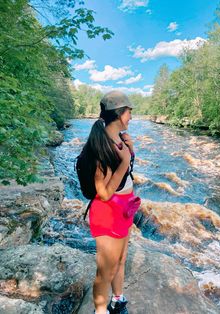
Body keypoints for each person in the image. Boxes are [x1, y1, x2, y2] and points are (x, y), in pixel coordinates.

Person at [84, 90, 138, 314]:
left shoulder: (120, 139)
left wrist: (130, 151)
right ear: (118, 114)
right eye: (129, 112)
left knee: (121, 259)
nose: (131, 117)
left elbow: (125, 173)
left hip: (123, 208)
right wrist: (125, 161)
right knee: (105, 270)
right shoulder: (102, 145)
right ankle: (100, 311)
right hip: (108, 211)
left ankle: (117, 300)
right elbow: (103, 193)